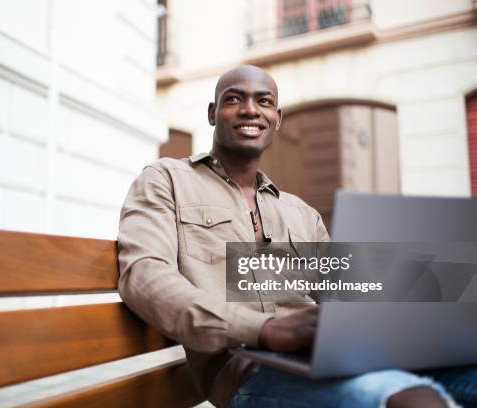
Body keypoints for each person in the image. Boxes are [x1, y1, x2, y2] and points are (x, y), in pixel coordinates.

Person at [117, 65, 476, 407]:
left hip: (322, 358)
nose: (250, 110)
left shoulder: (301, 212)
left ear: (277, 119)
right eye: (233, 99)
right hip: (247, 372)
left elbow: (344, 295)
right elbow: (144, 275)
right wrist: (265, 328)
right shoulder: (166, 179)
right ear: (212, 113)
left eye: (264, 101)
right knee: (408, 398)